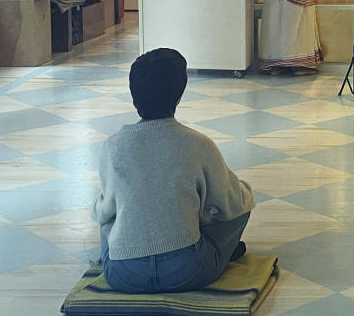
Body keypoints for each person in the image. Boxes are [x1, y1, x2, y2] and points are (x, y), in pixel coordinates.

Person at [92, 48, 255, 293]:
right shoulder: (198, 144)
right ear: (178, 96)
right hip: (188, 271)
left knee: (108, 221)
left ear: (134, 96)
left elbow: (104, 212)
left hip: (123, 275)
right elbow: (231, 203)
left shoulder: (112, 146)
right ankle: (222, 251)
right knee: (243, 201)